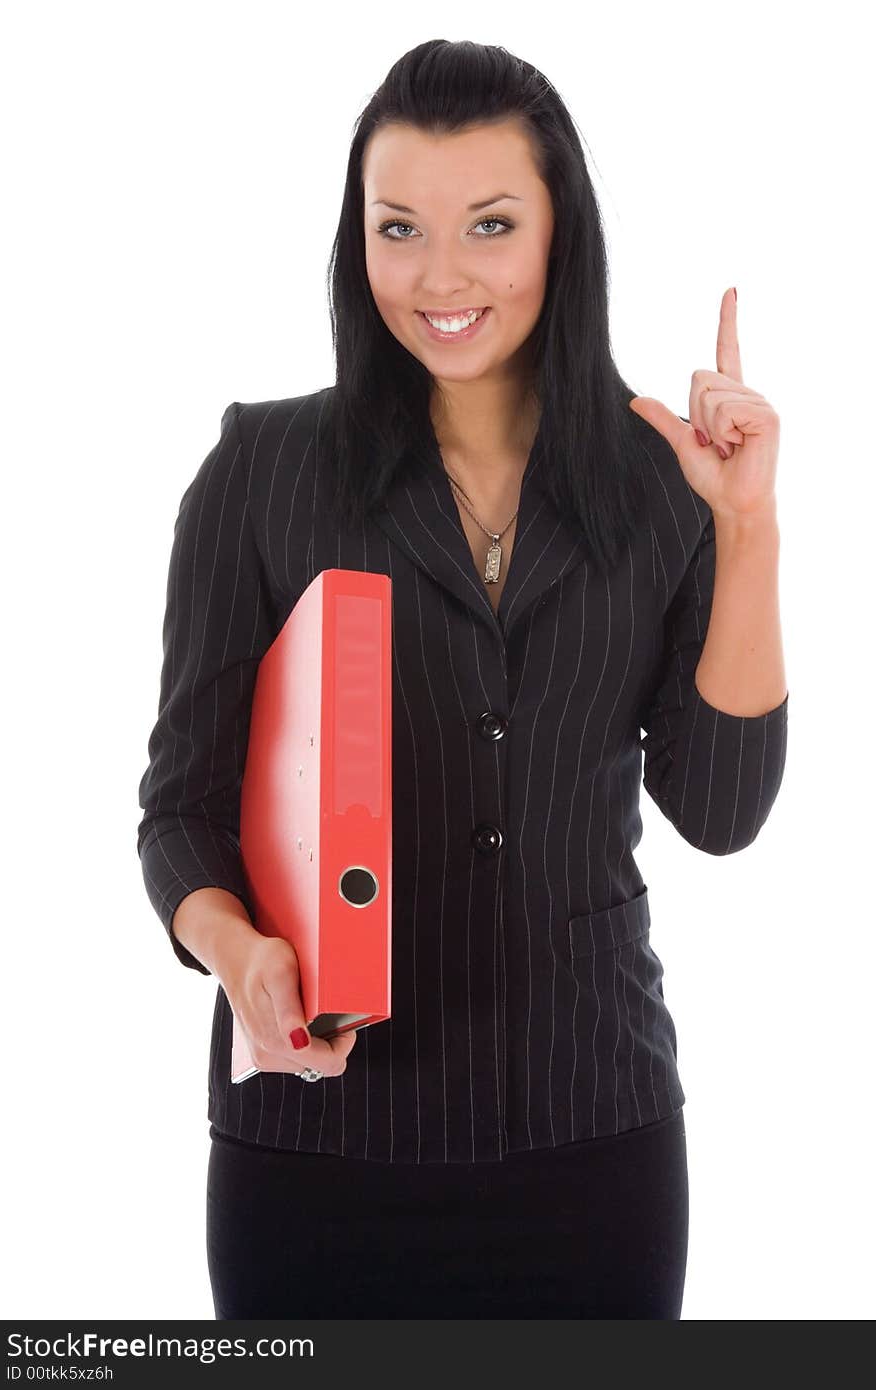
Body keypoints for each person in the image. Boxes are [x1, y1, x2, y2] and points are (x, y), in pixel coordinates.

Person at [137, 39, 788, 1320]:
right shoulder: (262, 470)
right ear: (356, 240)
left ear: (561, 236)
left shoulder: (665, 481)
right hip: (316, 1149)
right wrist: (237, 955)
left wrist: (746, 528)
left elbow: (719, 808)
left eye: (490, 224)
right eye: (398, 229)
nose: (440, 277)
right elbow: (180, 812)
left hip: (592, 1136)